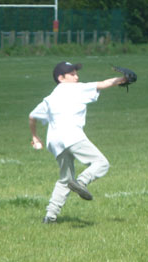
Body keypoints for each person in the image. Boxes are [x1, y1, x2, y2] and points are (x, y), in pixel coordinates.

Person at [29, 61, 127, 223]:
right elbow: (104, 84)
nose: (77, 76)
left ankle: (50, 216)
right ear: (61, 78)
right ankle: (81, 182)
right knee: (101, 163)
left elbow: (32, 117)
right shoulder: (77, 88)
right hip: (72, 136)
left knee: (64, 179)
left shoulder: (49, 98)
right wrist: (123, 79)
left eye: (76, 73)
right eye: (72, 74)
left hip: (54, 142)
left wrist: (35, 136)